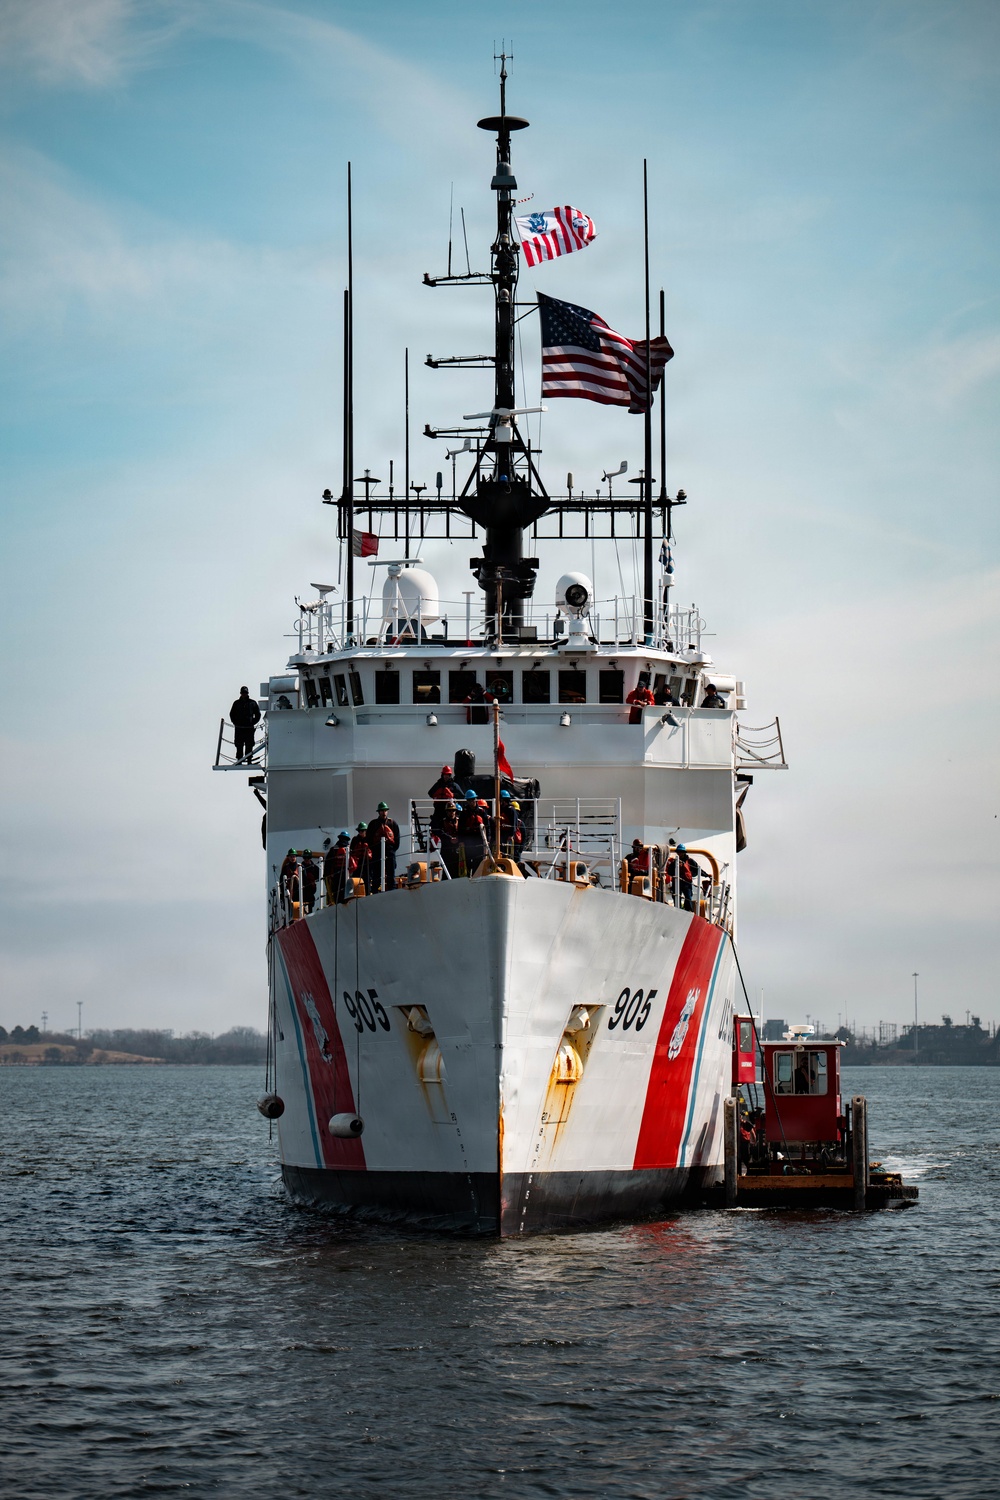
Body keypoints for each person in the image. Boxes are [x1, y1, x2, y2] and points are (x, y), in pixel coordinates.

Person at [366, 801, 400, 892]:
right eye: (382, 811)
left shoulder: (392, 823)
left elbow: (397, 839)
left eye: (385, 810)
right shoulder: (373, 824)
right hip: (377, 851)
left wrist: (392, 850)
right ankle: (375, 890)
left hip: (390, 851)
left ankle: (391, 890)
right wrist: (374, 849)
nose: (384, 812)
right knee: (377, 873)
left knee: (390, 872)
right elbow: (369, 839)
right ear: (379, 812)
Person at [457, 790, 488, 873]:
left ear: (476, 799)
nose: (471, 802)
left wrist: (487, 839)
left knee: (478, 861)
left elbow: (487, 827)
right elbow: (460, 828)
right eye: (469, 800)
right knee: (467, 861)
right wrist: (461, 841)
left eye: (473, 799)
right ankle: (467, 877)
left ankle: (475, 876)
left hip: (479, 840)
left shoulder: (482, 812)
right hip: (468, 840)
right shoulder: (464, 813)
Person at [230, 686, 261, 762]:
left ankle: (249, 759)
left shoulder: (252, 703)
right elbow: (232, 714)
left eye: (245, 693)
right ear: (240, 693)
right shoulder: (236, 703)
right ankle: (239, 759)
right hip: (239, 727)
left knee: (249, 744)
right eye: (243, 693)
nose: (244, 694)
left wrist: (252, 722)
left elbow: (258, 714)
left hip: (249, 728)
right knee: (239, 744)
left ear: (247, 693)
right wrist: (235, 723)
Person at [324, 831, 355, 904]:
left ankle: (338, 902)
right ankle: (345, 900)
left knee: (337, 890)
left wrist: (326, 875)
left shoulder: (333, 849)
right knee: (344, 888)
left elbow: (328, 863)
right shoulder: (349, 848)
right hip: (345, 873)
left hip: (336, 873)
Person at [350, 823, 372, 894]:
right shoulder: (355, 840)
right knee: (356, 878)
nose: (361, 832)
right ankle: (356, 893)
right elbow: (351, 850)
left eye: (362, 831)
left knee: (367, 878)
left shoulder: (369, 839)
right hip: (357, 862)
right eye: (359, 831)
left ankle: (367, 893)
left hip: (367, 863)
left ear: (366, 831)